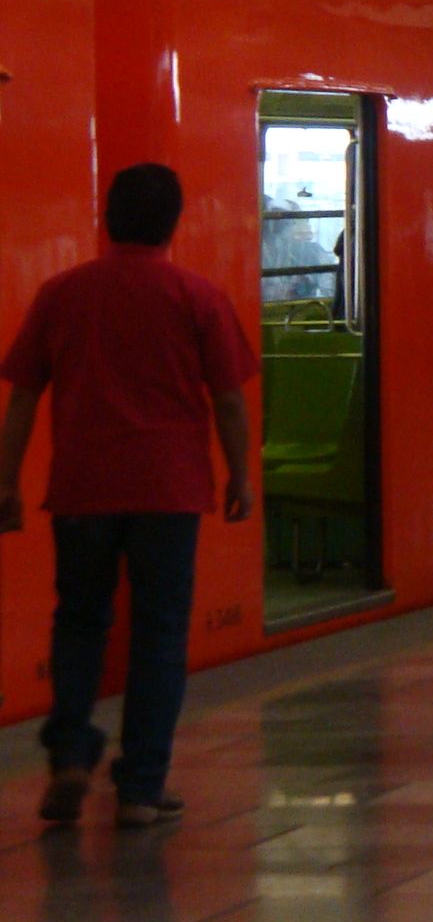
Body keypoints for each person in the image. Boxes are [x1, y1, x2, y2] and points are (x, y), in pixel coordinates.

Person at [0, 164, 256, 828]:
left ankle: (70, 756)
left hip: (82, 489)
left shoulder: (62, 294)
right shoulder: (197, 296)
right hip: (168, 491)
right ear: (173, 223)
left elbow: (22, 397)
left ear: (107, 217)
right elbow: (228, 401)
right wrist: (240, 476)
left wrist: (6, 482)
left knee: (79, 622)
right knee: (160, 634)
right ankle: (141, 788)